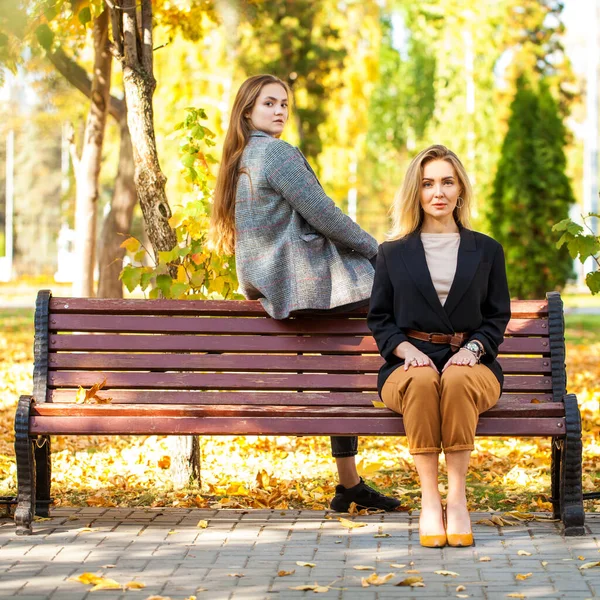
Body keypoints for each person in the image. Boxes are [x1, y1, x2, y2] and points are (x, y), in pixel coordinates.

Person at [210, 74, 400, 513]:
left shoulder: (240, 158)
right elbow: (325, 215)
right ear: (247, 112)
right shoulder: (276, 154)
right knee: (403, 299)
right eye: (269, 104)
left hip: (271, 285)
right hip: (301, 285)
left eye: (284, 105)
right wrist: (380, 252)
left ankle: (349, 484)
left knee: (338, 370)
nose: (279, 111)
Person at [367, 145, 510, 547]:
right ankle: (430, 499)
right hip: (407, 365)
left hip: (473, 363)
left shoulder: (487, 250)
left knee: (459, 380)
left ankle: (458, 497)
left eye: (447, 181)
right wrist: (405, 350)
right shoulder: (393, 253)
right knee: (425, 381)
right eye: (428, 183)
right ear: (416, 191)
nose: (438, 192)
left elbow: (497, 317)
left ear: (460, 188)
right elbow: (379, 319)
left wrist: (475, 348)